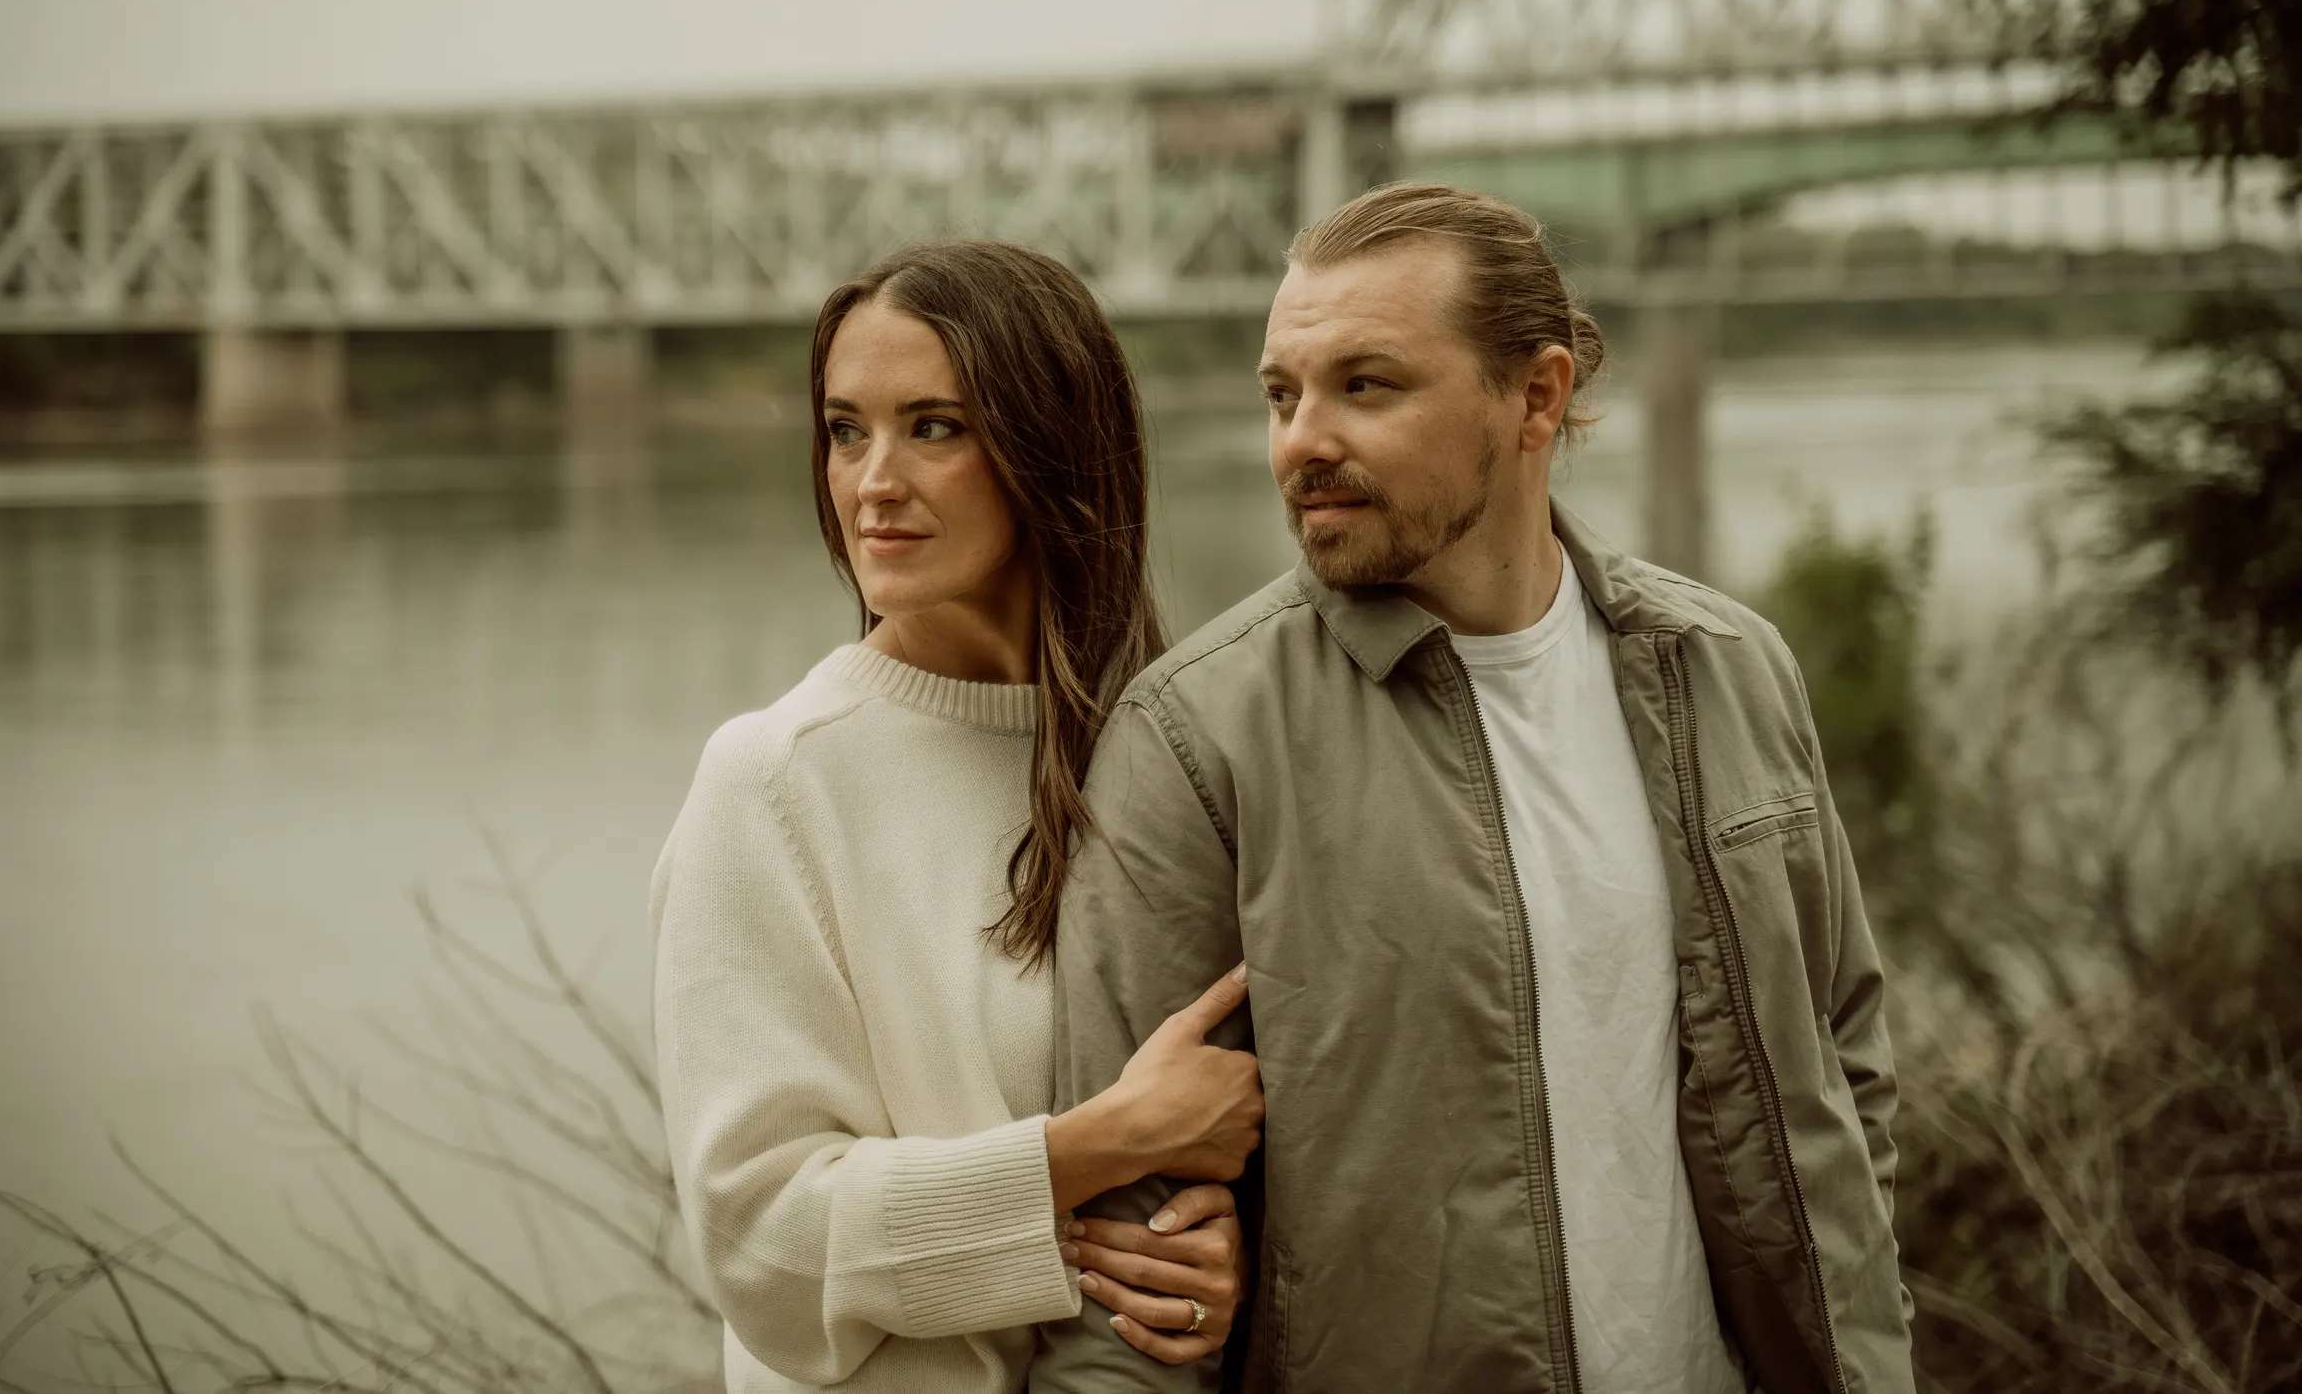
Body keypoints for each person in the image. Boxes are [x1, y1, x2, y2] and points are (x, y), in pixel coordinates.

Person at [1032, 184, 1912, 1393]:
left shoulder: (1729, 669)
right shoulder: (1199, 739)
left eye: (1366, 385)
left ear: (1536, 397)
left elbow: (1843, 1062)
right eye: (1281, 394)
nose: (1302, 441)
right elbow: (1124, 1281)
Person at [652, 240, 1265, 1394]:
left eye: (935, 426)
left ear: (1050, 449)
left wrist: (1212, 1259)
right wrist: (1098, 1153)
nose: (873, 479)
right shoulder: (773, 779)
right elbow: (761, 1239)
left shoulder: (1173, 751)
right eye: (845, 429)